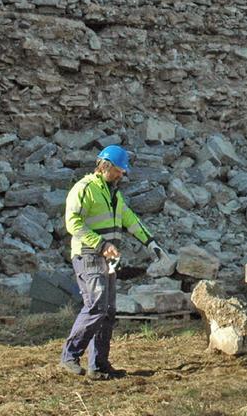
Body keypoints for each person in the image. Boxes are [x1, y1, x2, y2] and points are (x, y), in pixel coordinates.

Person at [59, 144, 165, 380]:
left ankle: (98, 365)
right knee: (96, 306)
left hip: (107, 260)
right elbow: (73, 223)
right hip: (88, 256)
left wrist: (150, 242)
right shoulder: (84, 189)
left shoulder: (114, 193)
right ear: (105, 166)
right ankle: (69, 356)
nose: (121, 174)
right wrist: (101, 245)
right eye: (119, 170)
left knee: (108, 311)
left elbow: (130, 219)